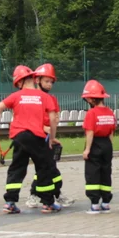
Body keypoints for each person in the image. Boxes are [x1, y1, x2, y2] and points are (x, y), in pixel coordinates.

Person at [0, 65, 61, 214]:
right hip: (37, 137)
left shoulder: (16, 96)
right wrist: (52, 138)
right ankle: (48, 203)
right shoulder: (45, 97)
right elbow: (53, 119)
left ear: (20, 82)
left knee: (17, 168)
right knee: (44, 167)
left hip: (19, 137)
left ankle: (10, 202)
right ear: (33, 79)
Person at [27, 63, 72, 208]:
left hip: (48, 137)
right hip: (37, 137)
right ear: (37, 80)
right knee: (46, 168)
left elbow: (56, 118)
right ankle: (41, 195)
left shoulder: (51, 99)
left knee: (47, 168)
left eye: (51, 81)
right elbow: (28, 119)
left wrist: (51, 134)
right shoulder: (32, 98)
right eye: (46, 81)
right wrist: (44, 129)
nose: (50, 84)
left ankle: (49, 194)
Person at [81, 80, 116, 214]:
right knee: (105, 172)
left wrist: (87, 150)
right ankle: (106, 203)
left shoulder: (92, 113)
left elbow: (90, 132)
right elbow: (112, 131)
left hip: (95, 144)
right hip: (107, 144)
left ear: (90, 98)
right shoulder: (109, 112)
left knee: (93, 173)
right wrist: (109, 147)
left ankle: (94, 204)